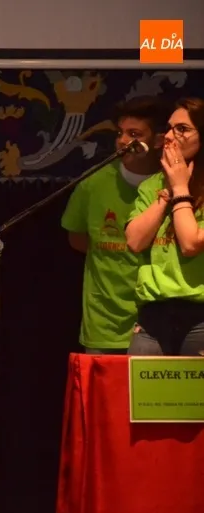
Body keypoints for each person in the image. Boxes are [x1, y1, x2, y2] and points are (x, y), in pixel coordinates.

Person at [60, 96, 169, 354]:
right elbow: (77, 239)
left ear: (158, 141)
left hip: (161, 326)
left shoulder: (175, 184)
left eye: (134, 134)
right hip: (104, 327)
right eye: (120, 133)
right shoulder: (92, 185)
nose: (123, 141)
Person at [124, 97, 204, 355]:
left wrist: (181, 188)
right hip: (153, 316)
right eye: (169, 128)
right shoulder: (152, 185)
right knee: (141, 382)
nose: (170, 136)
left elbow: (191, 243)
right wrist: (168, 192)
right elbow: (135, 241)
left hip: (200, 317)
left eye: (182, 129)